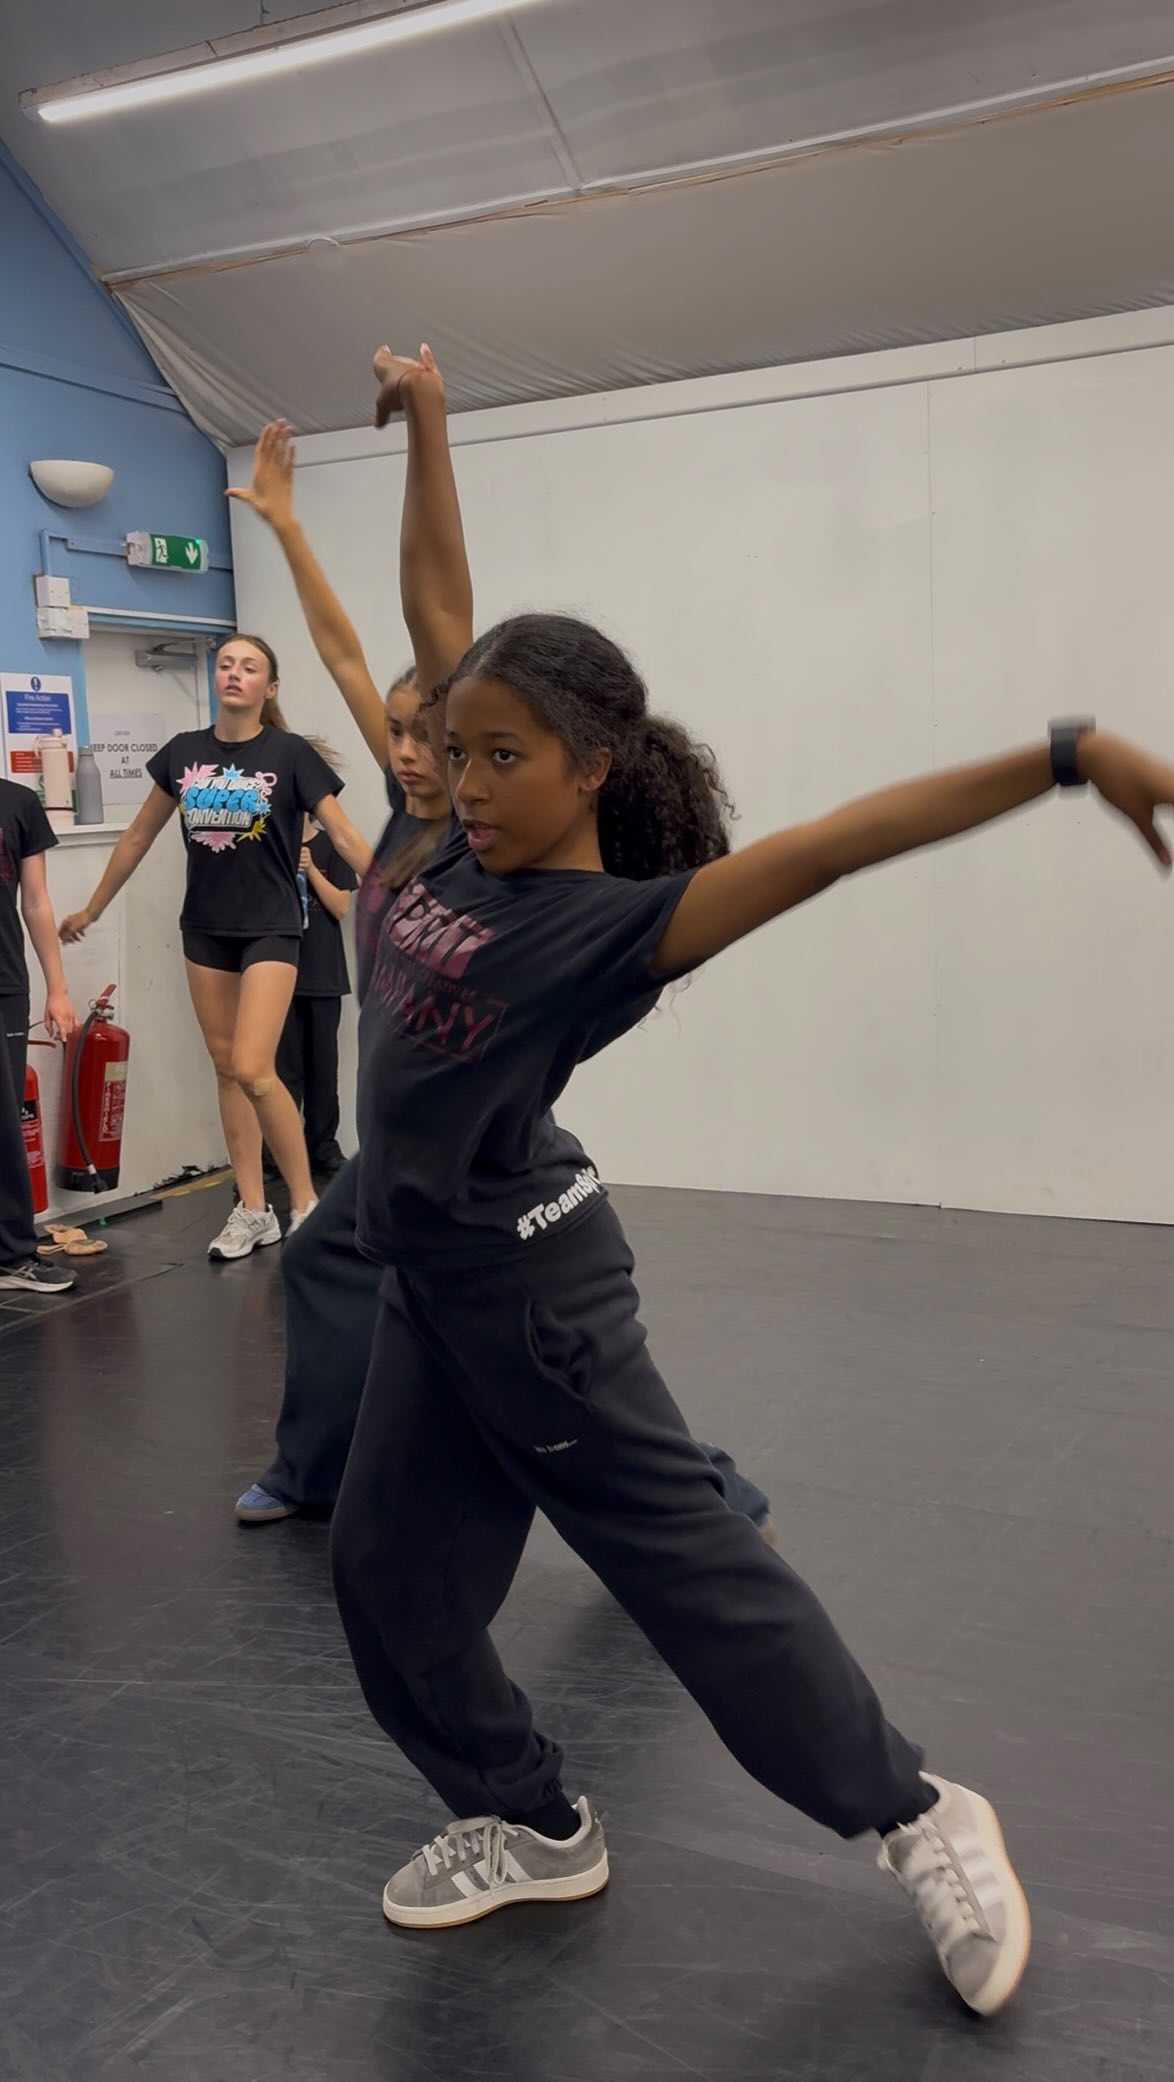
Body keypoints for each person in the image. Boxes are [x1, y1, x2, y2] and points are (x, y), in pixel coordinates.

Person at [327, 343, 1174, 2020]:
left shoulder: (604, 928)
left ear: (587, 769)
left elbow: (841, 839)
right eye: (455, 748)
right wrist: (428, 421)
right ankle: (528, 1817)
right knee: (384, 1588)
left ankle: (919, 1813)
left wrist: (1067, 754)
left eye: (504, 759)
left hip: (537, 1299)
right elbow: (439, 607)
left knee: (692, 1583)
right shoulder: (435, 835)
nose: (464, 780)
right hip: (428, 1280)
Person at [226, 423, 772, 1537]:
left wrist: (424, 428)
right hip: (417, 1139)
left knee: (548, 1376)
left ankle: (708, 1488)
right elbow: (339, 646)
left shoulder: (477, 841)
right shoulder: (415, 802)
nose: (421, 757)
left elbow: (436, 620)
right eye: (409, 738)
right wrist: (285, 526)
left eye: (451, 742)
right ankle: (313, 1465)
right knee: (337, 1262)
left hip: (482, 1154)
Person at [60, 637, 371, 1260]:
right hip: (205, 928)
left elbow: (340, 830)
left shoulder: (289, 754)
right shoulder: (184, 753)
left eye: (249, 666)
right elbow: (137, 838)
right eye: (226, 664)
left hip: (273, 927)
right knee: (227, 1071)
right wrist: (92, 908)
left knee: (257, 1068)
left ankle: (307, 1204)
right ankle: (254, 1209)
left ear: (269, 688)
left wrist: (407, 893)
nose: (234, 673)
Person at [0, 776, 78, 1296]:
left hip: (4, 982)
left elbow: (37, 903)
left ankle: (11, 1257)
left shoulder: (18, 803)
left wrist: (57, 989)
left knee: (4, 1121)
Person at [274, 811, 358, 1181]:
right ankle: (276, 1152)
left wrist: (311, 870)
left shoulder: (331, 845)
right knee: (281, 1069)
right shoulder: (270, 842)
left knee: (323, 1066)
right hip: (278, 972)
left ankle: (323, 1146)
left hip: (322, 971)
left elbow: (340, 907)